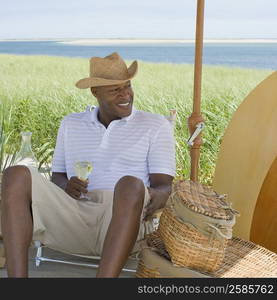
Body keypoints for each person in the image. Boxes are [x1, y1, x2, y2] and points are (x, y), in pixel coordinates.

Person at [1, 52, 176, 278]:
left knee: (130, 184)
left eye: (128, 86)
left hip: (121, 218)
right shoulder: (71, 124)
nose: (126, 94)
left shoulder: (155, 125)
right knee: (15, 174)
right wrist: (66, 186)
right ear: (95, 92)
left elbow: (164, 186)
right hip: (73, 215)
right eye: (115, 89)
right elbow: (58, 178)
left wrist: (150, 196)